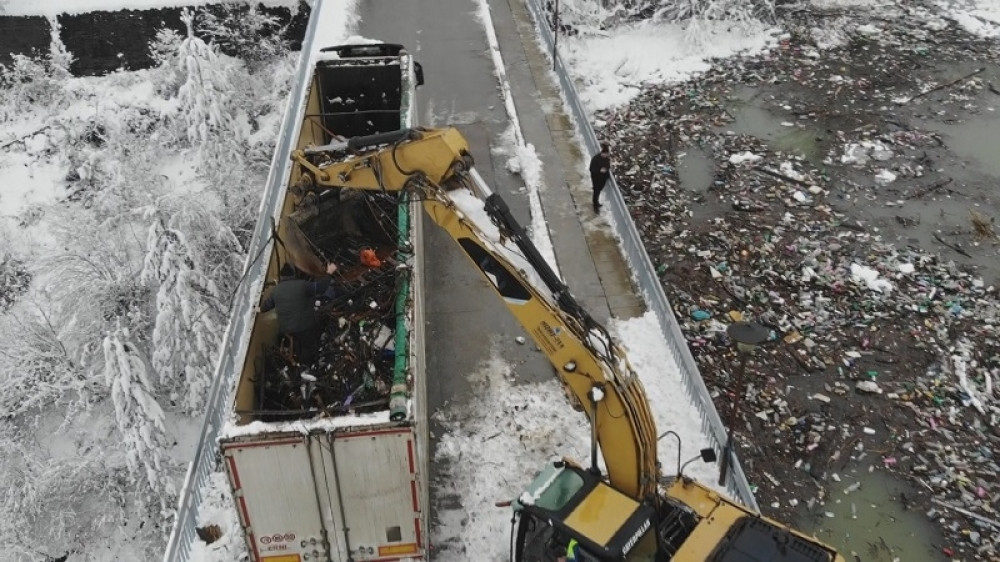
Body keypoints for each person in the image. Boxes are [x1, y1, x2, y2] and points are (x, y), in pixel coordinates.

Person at [259, 261, 338, 367]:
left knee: (299, 340)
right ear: (293, 275)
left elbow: (265, 307)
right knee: (310, 346)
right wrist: (329, 272)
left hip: (286, 329)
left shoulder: (276, 291)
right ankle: (306, 366)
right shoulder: (302, 285)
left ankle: (296, 358)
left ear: (282, 277)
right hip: (303, 326)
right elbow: (320, 288)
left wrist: (258, 309)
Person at [589, 143, 611, 213]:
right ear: (603, 153)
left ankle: (597, 202)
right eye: (606, 154)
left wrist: (606, 170)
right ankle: (595, 205)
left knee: (598, 190)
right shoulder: (595, 159)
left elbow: (608, 166)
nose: (607, 156)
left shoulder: (607, 159)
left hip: (602, 178)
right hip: (596, 178)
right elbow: (591, 169)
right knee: (596, 191)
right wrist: (600, 170)